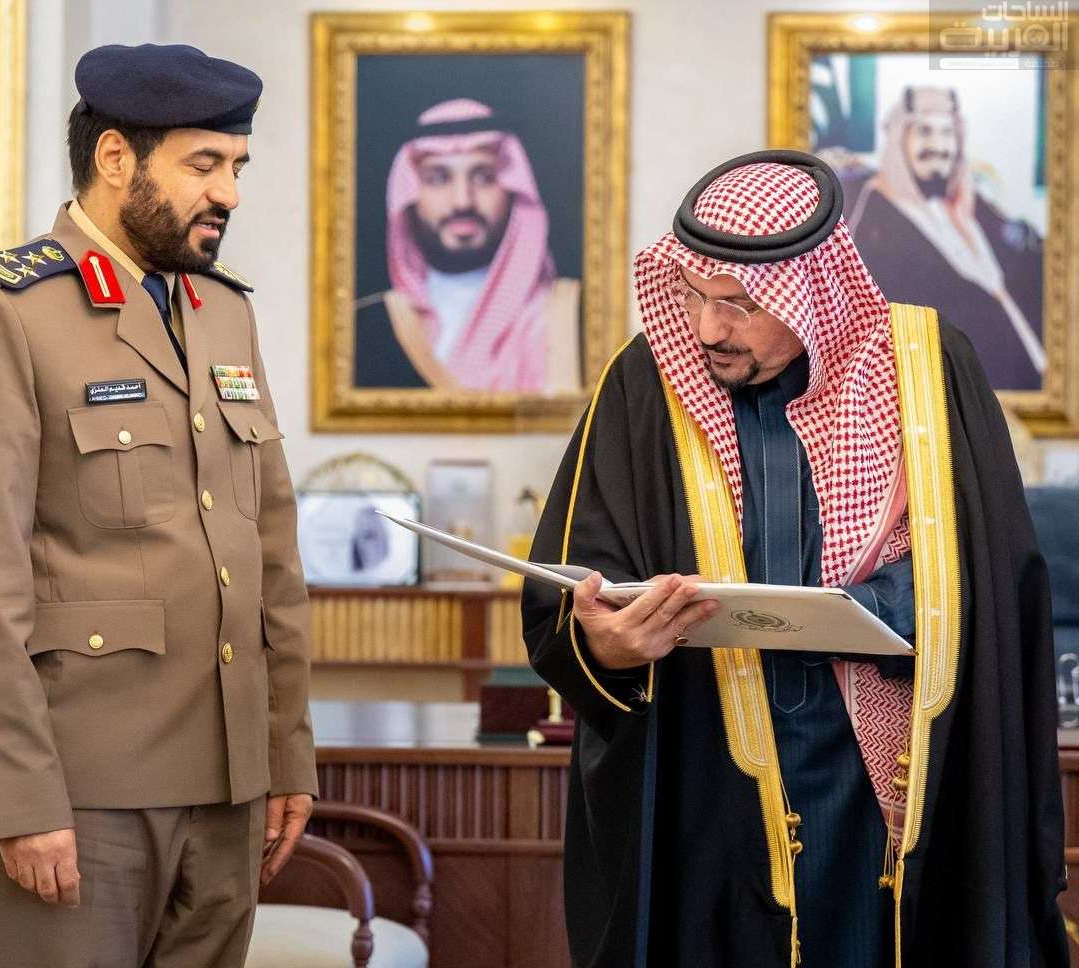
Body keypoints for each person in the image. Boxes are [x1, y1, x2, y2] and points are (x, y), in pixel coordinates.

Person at [522, 149, 1067, 967]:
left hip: (883, 781)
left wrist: (873, 608)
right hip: (704, 782)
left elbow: (992, 575)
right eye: (693, 296)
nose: (708, 330)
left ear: (808, 291)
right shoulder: (643, 385)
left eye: (739, 305)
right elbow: (571, 589)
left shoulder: (927, 367)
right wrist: (607, 643)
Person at [0, 43, 316, 968]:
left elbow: (271, 553)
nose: (229, 193)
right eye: (203, 165)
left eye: (237, 166)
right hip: (73, 791)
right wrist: (20, 797)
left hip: (228, 788)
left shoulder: (223, 311)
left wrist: (286, 755)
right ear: (116, 158)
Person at [354, 98, 581, 393]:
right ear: (409, 192)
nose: (463, 200)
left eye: (484, 177)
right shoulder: (366, 327)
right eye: (438, 178)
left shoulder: (569, 317)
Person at [841, 85, 1045, 391]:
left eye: (947, 133)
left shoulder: (971, 205)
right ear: (900, 139)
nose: (938, 146)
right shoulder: (876, 221)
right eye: (924, 132)